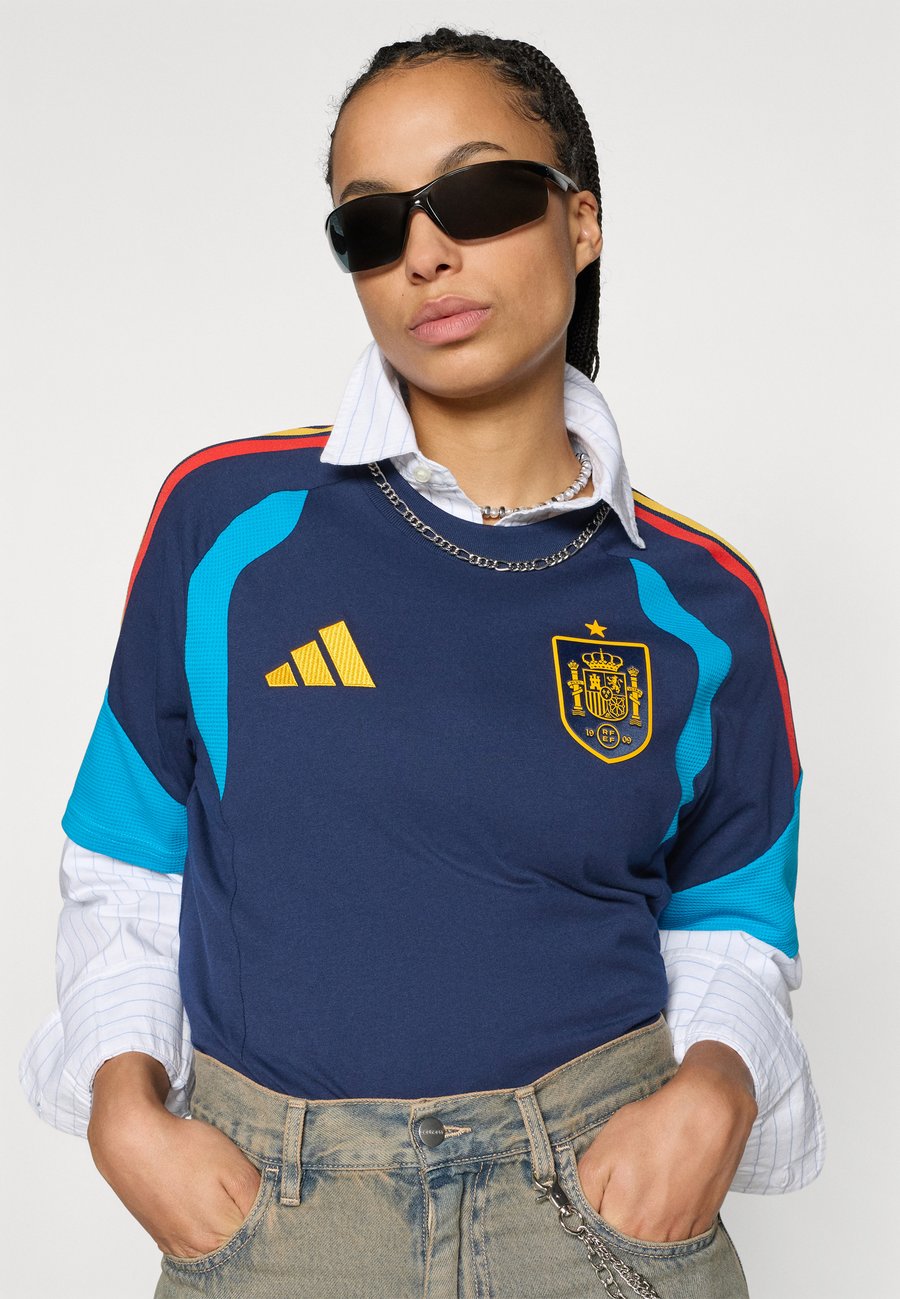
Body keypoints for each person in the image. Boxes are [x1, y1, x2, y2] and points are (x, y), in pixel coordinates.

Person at [18, 26, 824, 1299]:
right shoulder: (227, 526)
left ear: (581, 221)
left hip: (601, 1205)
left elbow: (732, 916)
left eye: (480, 195)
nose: (426, 253)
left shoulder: (701, 598)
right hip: (277, 1210)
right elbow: (125, 861)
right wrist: (127, 1110)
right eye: (372, 223)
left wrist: (716, 1090)